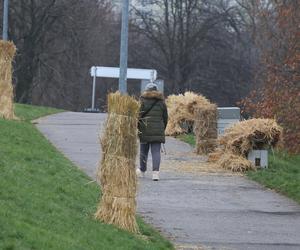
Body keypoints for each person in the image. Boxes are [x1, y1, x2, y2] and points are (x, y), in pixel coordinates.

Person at [137, 82, 168, 181]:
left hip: (144, 129)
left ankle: (142, 171)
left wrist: (138, 127)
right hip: (158, 129)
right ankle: (155, 174)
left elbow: (138, 116)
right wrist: (162, 129)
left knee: (143, 151)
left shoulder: (142, 101)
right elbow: (165, 118)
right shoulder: (161, 102)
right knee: (156, 152)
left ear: (146, 91)